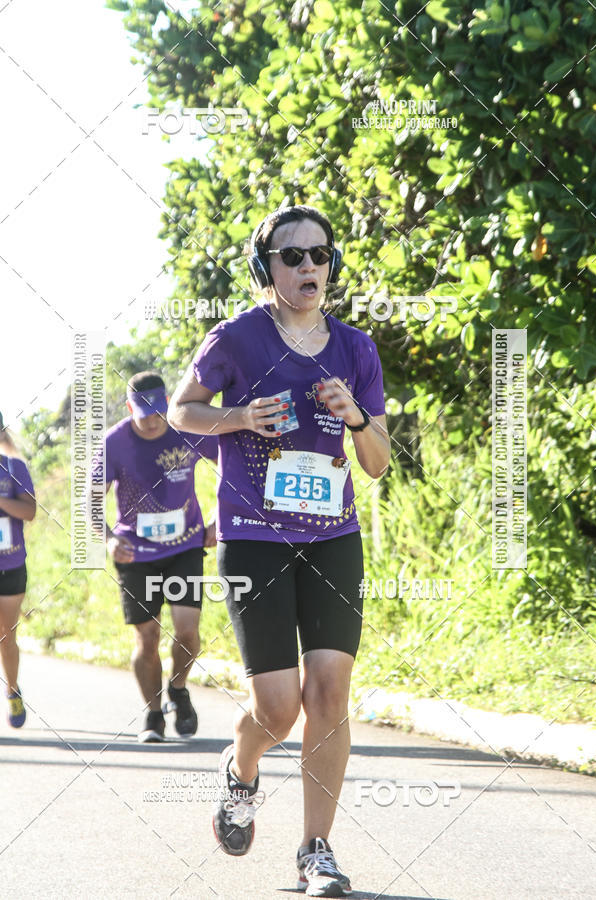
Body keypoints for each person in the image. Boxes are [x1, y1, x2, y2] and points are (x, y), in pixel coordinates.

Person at [168, 205, 390, 897]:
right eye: (292, 256)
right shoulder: (236, 337)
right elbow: (181, 409)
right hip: (254, 538)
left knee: (329, 692)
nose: (308, 267)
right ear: (267, 269)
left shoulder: (355, 349)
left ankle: (315, 850)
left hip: (333, 537)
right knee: (278, 709)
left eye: (320, 255)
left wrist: (356, 417)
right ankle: (241, 770)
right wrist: (238, 416)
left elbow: (378, 462)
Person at [91, 372, 218, 743]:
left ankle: (178, 688)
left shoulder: (187, 427)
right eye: (144, 414)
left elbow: (232, 463)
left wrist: (219, 517)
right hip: (135, 552)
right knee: (147, 639)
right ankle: (153, 714)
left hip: (185, 545)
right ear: (129, 408)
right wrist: (109, 540)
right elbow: (91, 500)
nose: (152, 421)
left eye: (159, 412)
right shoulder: (115, 442)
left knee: (187, 632)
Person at [0, 411, 37, 728]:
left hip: (11, 564)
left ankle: (12, 690)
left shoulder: (14, 467)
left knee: (6, 635)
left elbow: (30, 511)